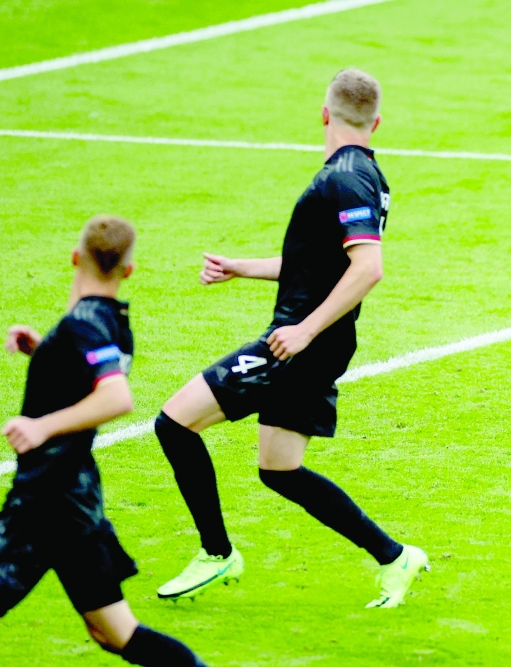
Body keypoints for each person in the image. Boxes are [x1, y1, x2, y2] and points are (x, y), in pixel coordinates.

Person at [153, 69, 428, 608]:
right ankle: (396, 557)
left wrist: (302, 330)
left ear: (324, 114)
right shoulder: (363, 175)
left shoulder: (343, 179)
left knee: (173, 423)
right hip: (311, 341)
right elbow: (317, 265)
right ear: (376, 122)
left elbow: (367, 268)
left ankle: (216, 553)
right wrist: (241, 267)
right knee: (280, 470)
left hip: (298, 345)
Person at [0, 215, 207, 666]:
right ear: (128, 272)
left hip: (45, 501)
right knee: (114, 634)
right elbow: (87, 375)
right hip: (76, 500)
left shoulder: (83, 325)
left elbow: (115, 396)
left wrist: (41, 426)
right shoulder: (109, 321)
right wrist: (43, 350)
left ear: (74, 258)